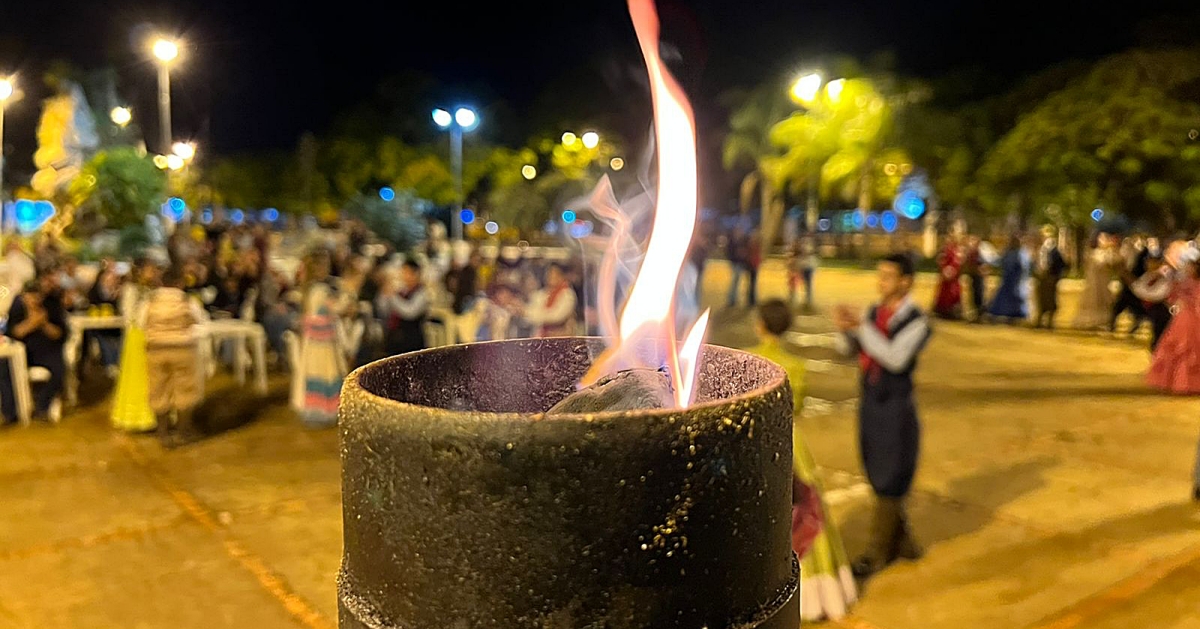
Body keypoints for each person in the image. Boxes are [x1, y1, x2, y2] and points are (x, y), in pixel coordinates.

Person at [750, 299, 856, 621]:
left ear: (760, 325)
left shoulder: (753, 360)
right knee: (807, 514)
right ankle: (820, 595)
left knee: (773, 520)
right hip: (796, 445)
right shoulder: (796, 365)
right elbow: (798, 407)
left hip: (764, 446)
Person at [833, 253, 932, 579]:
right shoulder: (875, 313)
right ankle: (904, 542)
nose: (882, 282)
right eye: (881, 275)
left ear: (906, 282)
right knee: (876, 466)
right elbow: (850, 351)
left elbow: (894, 358)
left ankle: (877, 553)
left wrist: (862, 328)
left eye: (889, 276)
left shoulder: (917, 320)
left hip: (895, 405)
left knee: (890, 473)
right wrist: (845, 330)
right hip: (872, 401)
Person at [140, 268, 206, 447]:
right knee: (185, 390)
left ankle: (163, 433)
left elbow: (139, 323)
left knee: (158, 389)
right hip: (183, 350)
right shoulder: (187, 301)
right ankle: (183, 432)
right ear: (180, 282)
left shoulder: (150, 302)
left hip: (155, 350)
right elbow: (201, 322)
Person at [1, 280, 67, 422]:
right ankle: (10, 412)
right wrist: (31, 323)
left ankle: (42, 406)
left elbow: (59, 334)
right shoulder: (17, 307)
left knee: (59, 369)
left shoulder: (51, 305)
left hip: (47, 350)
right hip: (22, 351)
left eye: (37, 295)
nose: (34, 299)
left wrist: (44, 323)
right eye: (30, 296)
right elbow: (13, 333)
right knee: (5, 367)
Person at [111, 260, 160, 433]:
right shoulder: (131, 290)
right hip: (137, 336)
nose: (153, 273)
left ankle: (150, 416)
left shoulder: (151, 290)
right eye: (150, 269)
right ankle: (135, 417)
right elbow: (129, 316)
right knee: (138, 377)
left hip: (148, 334)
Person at [1147, 247, 1200, 395]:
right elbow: (1172, 296)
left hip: (1189, 318)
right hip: (1185, 319)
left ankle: (1186, 382)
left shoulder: (1187, 282)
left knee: (1187, 350)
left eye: (1190, 266)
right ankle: (1181, 382)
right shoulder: (1184, 281)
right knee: (1183, 350)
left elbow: (1173, 296)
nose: (1187, 268)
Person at [295, 283, 346, 427]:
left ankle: (326, 411)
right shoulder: (320, 320)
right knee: (323, 379)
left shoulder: (315, 319)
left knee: (326, 378)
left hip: (323, 354)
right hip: (319, 355)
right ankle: (322, 412)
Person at [378, 260, 428, 356]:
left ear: (416, 274)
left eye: (407, 273)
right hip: (395, 337)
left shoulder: (422, 293)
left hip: (412, 339)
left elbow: (410, 312)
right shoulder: (401, 290)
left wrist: (392, 296)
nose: (404, 276)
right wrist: (384, 294)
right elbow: (383, 310)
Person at [1074, 233, 1122, 330]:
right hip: (1093, 283)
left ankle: (1102, 322)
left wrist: (1113, 249)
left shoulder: (1108, 253)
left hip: (1103, 283)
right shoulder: (1094, 253)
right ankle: (1089, 322)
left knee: (1103, 301)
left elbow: (1115, 262)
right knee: (1091, 301)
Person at [1130, 250, 1174, 352]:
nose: (1149, 264)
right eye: (1148, 261)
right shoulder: (1148, 276)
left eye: (1153, 261)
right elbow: (1139, 289)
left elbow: (1160, 294)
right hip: (1153, 308)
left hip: (1163, 308)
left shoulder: (1164, 275)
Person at [523, 263, 578, 337]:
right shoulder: (542, 294)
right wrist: (524, 311)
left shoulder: (568, 294)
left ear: (562, 276)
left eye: (555, 274)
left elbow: (557, 316)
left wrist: (536, 315)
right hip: (543, 335)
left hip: (560, 336)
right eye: (549, 274)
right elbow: (531, 312)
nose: (551, 277)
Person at [987, 235, 1030, 322]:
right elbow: (1000, 261)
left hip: (1016, 281)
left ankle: (1017, 316)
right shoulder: (1009, 252)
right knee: (1005, 297)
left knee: (1017, 298)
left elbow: (1024, 268)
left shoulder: (1021, 253)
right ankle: (1005, 315)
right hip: (1008, 279)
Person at [1111, 235, 1149, 334]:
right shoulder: (1134, 250)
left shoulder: (1143, 252)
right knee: (1127, 303)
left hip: (1133, 281)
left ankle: (1114, 322)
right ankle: (1114, 322)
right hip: (1130, 281)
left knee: (1125, 303)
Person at [1033, 230, 1068, 329]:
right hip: (1042, 277)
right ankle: (1041, 321)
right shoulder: (1042, 250)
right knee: (1041, 300)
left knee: (1050, 300)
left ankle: (1049, 322)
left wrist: (1056, 275)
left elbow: (1062, 265)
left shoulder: (1054, 251)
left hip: (1050, 277)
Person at [932, 235, 963, 319]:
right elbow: (941, 261)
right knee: (946, 294)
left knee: (952, 294)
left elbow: (956, 263)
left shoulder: (956, 251)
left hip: (952, 278)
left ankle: (951, 310)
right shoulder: (947, 251)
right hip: (947, 278)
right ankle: (945, 310)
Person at [961, 235, 987, 322]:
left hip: (978, 277)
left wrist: (981, 271)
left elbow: (984, 265)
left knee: (979, 295)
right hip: (973, 276)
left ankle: (980, 314)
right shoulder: (972, 253)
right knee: (974, 295)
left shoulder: (980, 253)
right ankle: (976, 314)